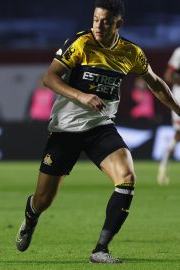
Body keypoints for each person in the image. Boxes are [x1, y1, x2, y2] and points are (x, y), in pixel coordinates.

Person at [15, 0, 180, 264]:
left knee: (126, 178)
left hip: (100, 127)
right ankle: (31, 215)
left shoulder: (130, 52)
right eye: (95, 19)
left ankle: (100, 249)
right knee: (44, 199)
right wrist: (82, 96)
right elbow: (50, 78)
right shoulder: (81, 43)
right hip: (66, 129)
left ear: (118, 24)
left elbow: (156, 83)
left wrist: (177, 108)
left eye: (105, 21)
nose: (98, 26)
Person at [157, 47, 180, 186]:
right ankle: (163, 167)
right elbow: (168, 75)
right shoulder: (179, 52)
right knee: (179, 134)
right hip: (179, 97)